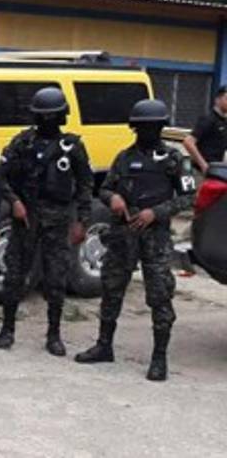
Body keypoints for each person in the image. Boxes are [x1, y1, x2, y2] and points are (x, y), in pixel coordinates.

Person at [76, 99, 196, 381]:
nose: (146, 131)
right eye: (141, 127)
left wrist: (157, 212)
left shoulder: (175, 160)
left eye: (151, 127)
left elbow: (189, 196)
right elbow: (104, 189)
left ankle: (159, 358)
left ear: (160, 128)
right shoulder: (124, 158)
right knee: (111, 288)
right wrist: (113, 198)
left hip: (155, 238)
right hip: (123, 234)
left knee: (159, 295)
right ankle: (104, 346)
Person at [0, 87, 93, 356]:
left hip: (58, 219)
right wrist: (13, 201)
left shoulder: (72, 147)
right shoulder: (22, 143)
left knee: (56, 279)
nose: (47, 121)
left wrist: (82, 221)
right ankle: (7, 329)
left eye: (52, 116)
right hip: (26, 218)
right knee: (14, 275)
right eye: (43, 116)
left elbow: (85, 184)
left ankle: (54, 334)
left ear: (61, 116)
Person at [183, 84, 227, 173]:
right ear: (217, 100)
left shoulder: (223, 122)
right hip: (200, 172)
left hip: (216, 171)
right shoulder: (208, 119)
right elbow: (188, 142)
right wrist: (203, 165)